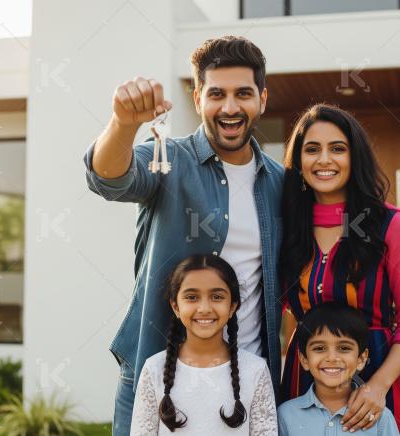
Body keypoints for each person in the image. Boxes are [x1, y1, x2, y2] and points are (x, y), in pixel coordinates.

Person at [83, 35, 284, 435]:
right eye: (217, 94)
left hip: (247, 387)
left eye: (243, 93)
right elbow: (108, 179)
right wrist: (124, 123)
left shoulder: (280, 184)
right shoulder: (167, 159)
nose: (230, 108)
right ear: (197, 99)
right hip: (161, 381)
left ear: (262, 99)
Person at [279, 104, 400, 435]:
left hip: (378, 379)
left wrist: (378, 387)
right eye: (312, 149)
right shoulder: (287, 229)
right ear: (298, 162)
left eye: (337, 149)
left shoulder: (390, 226)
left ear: (355, 158)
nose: (324, 159)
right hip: (305, 380)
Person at [130, 254, 277, 435]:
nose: (205, 308)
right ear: (176, 306)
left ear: (233, 306)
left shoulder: (256, 370)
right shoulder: (154, 369)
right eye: (192, 297)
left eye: (217, 297)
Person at [277, 302, 398, 436]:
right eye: (319, 348)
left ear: (361, 359)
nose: (332, 358)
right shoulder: (285, 415)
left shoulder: (379, 417)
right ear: (304, 359)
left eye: (344, 348)